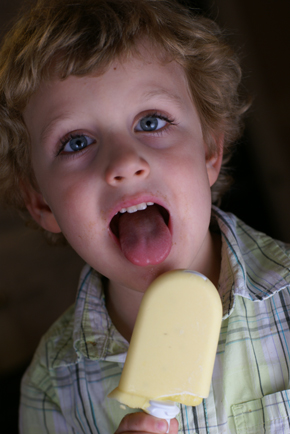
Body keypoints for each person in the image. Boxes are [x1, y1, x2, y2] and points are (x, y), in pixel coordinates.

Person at [1, 0, 290, 432]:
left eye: (152, 121)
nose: (124, 162)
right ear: (41, 201)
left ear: (210, 150)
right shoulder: (52, 388)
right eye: (76, 142)